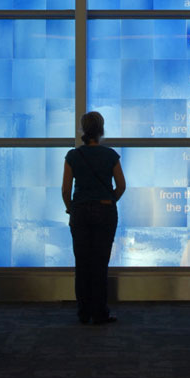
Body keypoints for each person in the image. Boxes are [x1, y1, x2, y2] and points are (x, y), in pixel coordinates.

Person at [62, 111, 126, 325]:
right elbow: (122, 185)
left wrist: (71, 208)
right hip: (105, 211)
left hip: (80, 211)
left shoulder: (73, 156)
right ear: (101, 130)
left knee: (82, 262)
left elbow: (65, 189)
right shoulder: (111, 155)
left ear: (83, 130)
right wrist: (110, 199)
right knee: (100, 262)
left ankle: (83, 312)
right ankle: (100, 312)